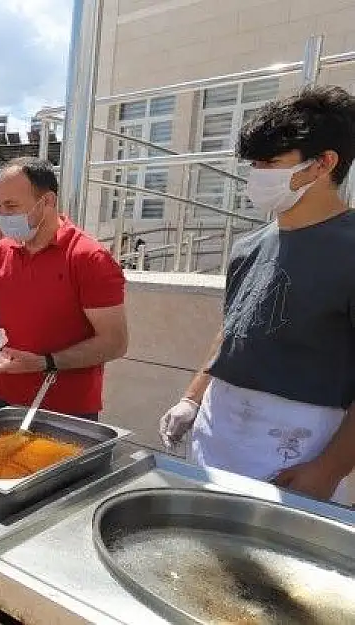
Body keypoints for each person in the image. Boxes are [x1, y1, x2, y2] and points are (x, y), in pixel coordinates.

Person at [159, 86, 355, 502]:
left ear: (324, 163)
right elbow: (233, 331)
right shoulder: (249, 247)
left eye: (271, 162)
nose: (257, 173)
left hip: (295, 448)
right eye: (254, 162)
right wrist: (191, 400)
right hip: (218, 430)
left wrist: (329, 468)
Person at [0, 157, 127, 419]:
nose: (4, 216)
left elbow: (115, 343)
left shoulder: (89, 257)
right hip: (1, 400)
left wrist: (44, 363)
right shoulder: (1, 251)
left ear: (48, 201)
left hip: (66, 409)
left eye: (12, 206)